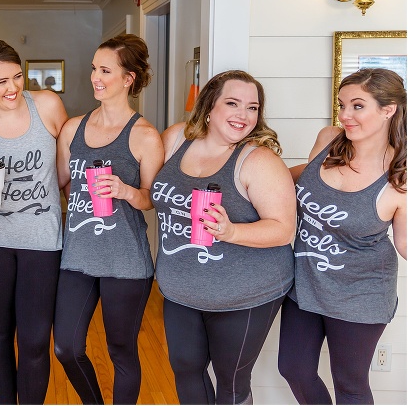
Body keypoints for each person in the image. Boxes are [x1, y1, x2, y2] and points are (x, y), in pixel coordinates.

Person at [151, 69, 296, 404]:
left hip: (244, 291)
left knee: (231, 380)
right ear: (209, 107)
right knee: (185, 368)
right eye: (232, 103)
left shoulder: (258, 160)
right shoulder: (175, 139)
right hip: (179, 288)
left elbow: (282, 228)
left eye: (252, 107)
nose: (242, 115)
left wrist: (230, 231)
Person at [278, 68, 406, 405]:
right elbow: (296, 179)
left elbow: (405, 243)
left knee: (349, 383)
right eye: (342, 104)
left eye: (357, 106)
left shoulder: (399, 177)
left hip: (360, 294)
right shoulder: (328, 139)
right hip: (304, 282)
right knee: (293, 368)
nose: (345, 115)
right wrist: (248, 174)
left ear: (388, 109)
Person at [0, 38, 68, 404]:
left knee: (35, 339)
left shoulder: (47, 106)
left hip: (43, 242)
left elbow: (66, 172)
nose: (13, 87)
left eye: (17, 76)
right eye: (1, 81)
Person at [53, 34, 164, 405]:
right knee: (66, 347)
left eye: (105, 70)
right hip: (78, 256)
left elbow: (151, 199)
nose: (96, 78)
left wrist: (125, 191)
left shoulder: (146, 136)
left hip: (126, 262)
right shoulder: (73, 128)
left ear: (128, 78)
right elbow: (61, 183)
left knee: (122, 351)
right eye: (93, 69)